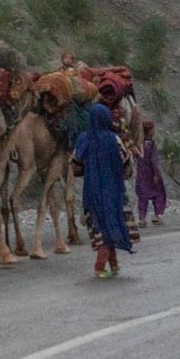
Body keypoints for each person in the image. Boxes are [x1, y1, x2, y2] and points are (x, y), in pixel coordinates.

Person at [74, 104, 135, 278]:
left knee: (100, 226)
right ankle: (100, 267)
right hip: (113, 190)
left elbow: (75, 164)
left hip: (92, 191)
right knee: (111, 224)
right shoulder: (113, 139)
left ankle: (114, 265)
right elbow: (125, 159)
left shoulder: (83, 139)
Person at [135, 121, 166, 227]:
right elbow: (153, 160)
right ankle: (157, 216)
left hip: (141, 174)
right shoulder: (151, 144)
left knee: (142, 196)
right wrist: (156, 173)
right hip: (151, 173)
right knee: (159, 194)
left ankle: (142, 218)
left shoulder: (138, 144)